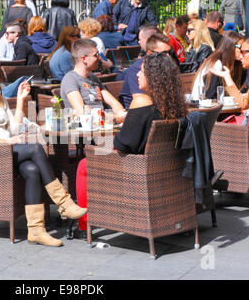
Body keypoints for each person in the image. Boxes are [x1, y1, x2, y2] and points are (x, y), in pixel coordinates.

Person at [0, 57, 87, 247]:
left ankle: (36, 231)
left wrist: (20, 100)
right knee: (35, 148)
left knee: (32, 170)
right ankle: (63, 202)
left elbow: (15, 129)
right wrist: (7, 142)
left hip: (9, 148)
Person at [75, 53, 187, 234]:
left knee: (83, 165)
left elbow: (123, 145)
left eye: (141, 72)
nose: (137, 75)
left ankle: (85, 223)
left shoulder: (142, 107)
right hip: (166, 167)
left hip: (137, 168)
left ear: (153, 77)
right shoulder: (175, 106)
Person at [60, 39, 126, 121]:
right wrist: (114, 117)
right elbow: (82, 112)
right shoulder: (70, 79)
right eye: (96, 55)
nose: (99, 58)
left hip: (103, 125)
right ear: (83, 59)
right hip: (84, 129)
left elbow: (113, 102)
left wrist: (121, 113)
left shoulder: (94, 78)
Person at [118, 30, 174, 110]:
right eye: (163, 54)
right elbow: (141, 102)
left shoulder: (166, 67)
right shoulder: (138, 70)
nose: (168, 57)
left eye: (170, 52)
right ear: (149, 53)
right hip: (135, 113)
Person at [191, 31, 245, 100]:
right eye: (240, 47)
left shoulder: (236, 64)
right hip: (202, 106)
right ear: (230, 46)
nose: (243, 50)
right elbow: (210, 95)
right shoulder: (217, 63)